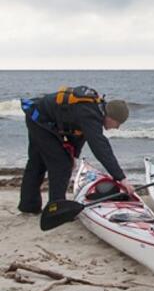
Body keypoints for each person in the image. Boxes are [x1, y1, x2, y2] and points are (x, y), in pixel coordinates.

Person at [18, 85, 134, 214]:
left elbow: (79, 134)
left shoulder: (94, 110)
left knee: (38, 163)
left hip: (39, 118)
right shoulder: (90, 115)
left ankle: (28, 207)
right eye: (118, 124)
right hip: (39, 120)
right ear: (111, 118)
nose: (117, 128)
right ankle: (56, 210)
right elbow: (100, 148)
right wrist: (121, 178)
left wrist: (73, 156)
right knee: (60, 164)